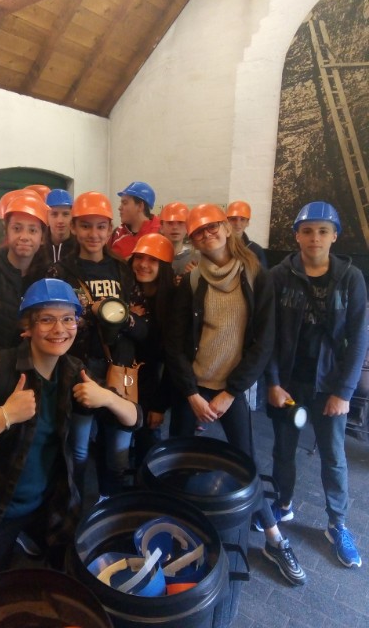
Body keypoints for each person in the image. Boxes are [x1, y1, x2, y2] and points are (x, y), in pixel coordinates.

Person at [0, 279, 141, 585]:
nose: (59, 329)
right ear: (27, 328)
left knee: (60, 577)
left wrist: (108, 398)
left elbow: (133, 419)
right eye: (46, 319)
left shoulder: (72, 370)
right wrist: (4, 416)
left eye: (68, 319)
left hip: (49, 505)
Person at [165, 203, 306, 586]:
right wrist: (191, 393)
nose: (207, 234)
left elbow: (264, 342)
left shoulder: (257, 274)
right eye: (199, 231)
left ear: (227, 229)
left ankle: (274, 539)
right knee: (177, 461)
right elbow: (175, 343)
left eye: (213, 227)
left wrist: (230, 392)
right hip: (193, 388)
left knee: (246, 464)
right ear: (194, 241)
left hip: (231, 389)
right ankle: (175, 535)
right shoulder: (193, 280)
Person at [266, 201, 367, 568]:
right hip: (290, 383)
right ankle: (283, 504)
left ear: (334, 236)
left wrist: (344, 392)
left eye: (323, 231)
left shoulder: (351, 278)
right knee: (283, 450)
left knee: (333, 456)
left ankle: (337, 524)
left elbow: (359, 338)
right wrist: (272, 382)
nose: (315, 238)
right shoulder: (279, 276)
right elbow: (268, 335)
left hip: (329, 387)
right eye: (307, 231)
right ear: (297, 235)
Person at [50, 191, 147, 498]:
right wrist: (86, 316)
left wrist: (120, 318)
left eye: (101, 226)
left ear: (109, 229)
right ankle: (76, 506)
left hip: (121, 365)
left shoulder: (122, 269)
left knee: (119, 446)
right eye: (86, 226)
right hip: (80, 367)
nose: (94, 234)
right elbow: (54, 324)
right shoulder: (61, 272)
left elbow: (143, 327)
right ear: (74, 228)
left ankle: (110, 505)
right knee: (79, 448)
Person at [129, 233, 177, 466]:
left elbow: (172, 360)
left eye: (152, 260)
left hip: (153, 384)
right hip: (124, 377)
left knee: (148, 444)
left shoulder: (174, 300)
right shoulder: (126, 292)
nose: (143, 264)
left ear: (164, 266)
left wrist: (159, 406)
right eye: (139, 257)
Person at [0, 188, 49, 359]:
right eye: (17, 228)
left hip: (35, 358)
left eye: (32, 230)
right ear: (7, 231)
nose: (24, 236)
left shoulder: (48, 274)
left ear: (42, 237)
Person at [108, 181, 160, 259]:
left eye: (125, 203)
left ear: (140, 206)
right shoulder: (116, 234)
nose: (119, 208)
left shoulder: (161, 232)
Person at [159, 201, 199, 282]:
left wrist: (195, 276)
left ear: (188, 227)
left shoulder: (196, 259)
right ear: (161, 227)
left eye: (180, 222)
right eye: (170, 223)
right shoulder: (153, 257)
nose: (175, 227)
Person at [226, 200, 268, 267]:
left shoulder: (256, 250)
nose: (238, 224)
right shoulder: (219, 247)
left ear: (247, 223)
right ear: (227, 221)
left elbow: (262, 273)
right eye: (233, 219)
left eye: (242, 219)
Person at [45, 189, 78, 264]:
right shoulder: (38, 248)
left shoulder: (80, 248)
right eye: (54, 214)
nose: (60, 220)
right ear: (46, 216)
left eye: (65, 214)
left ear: (72, 216)